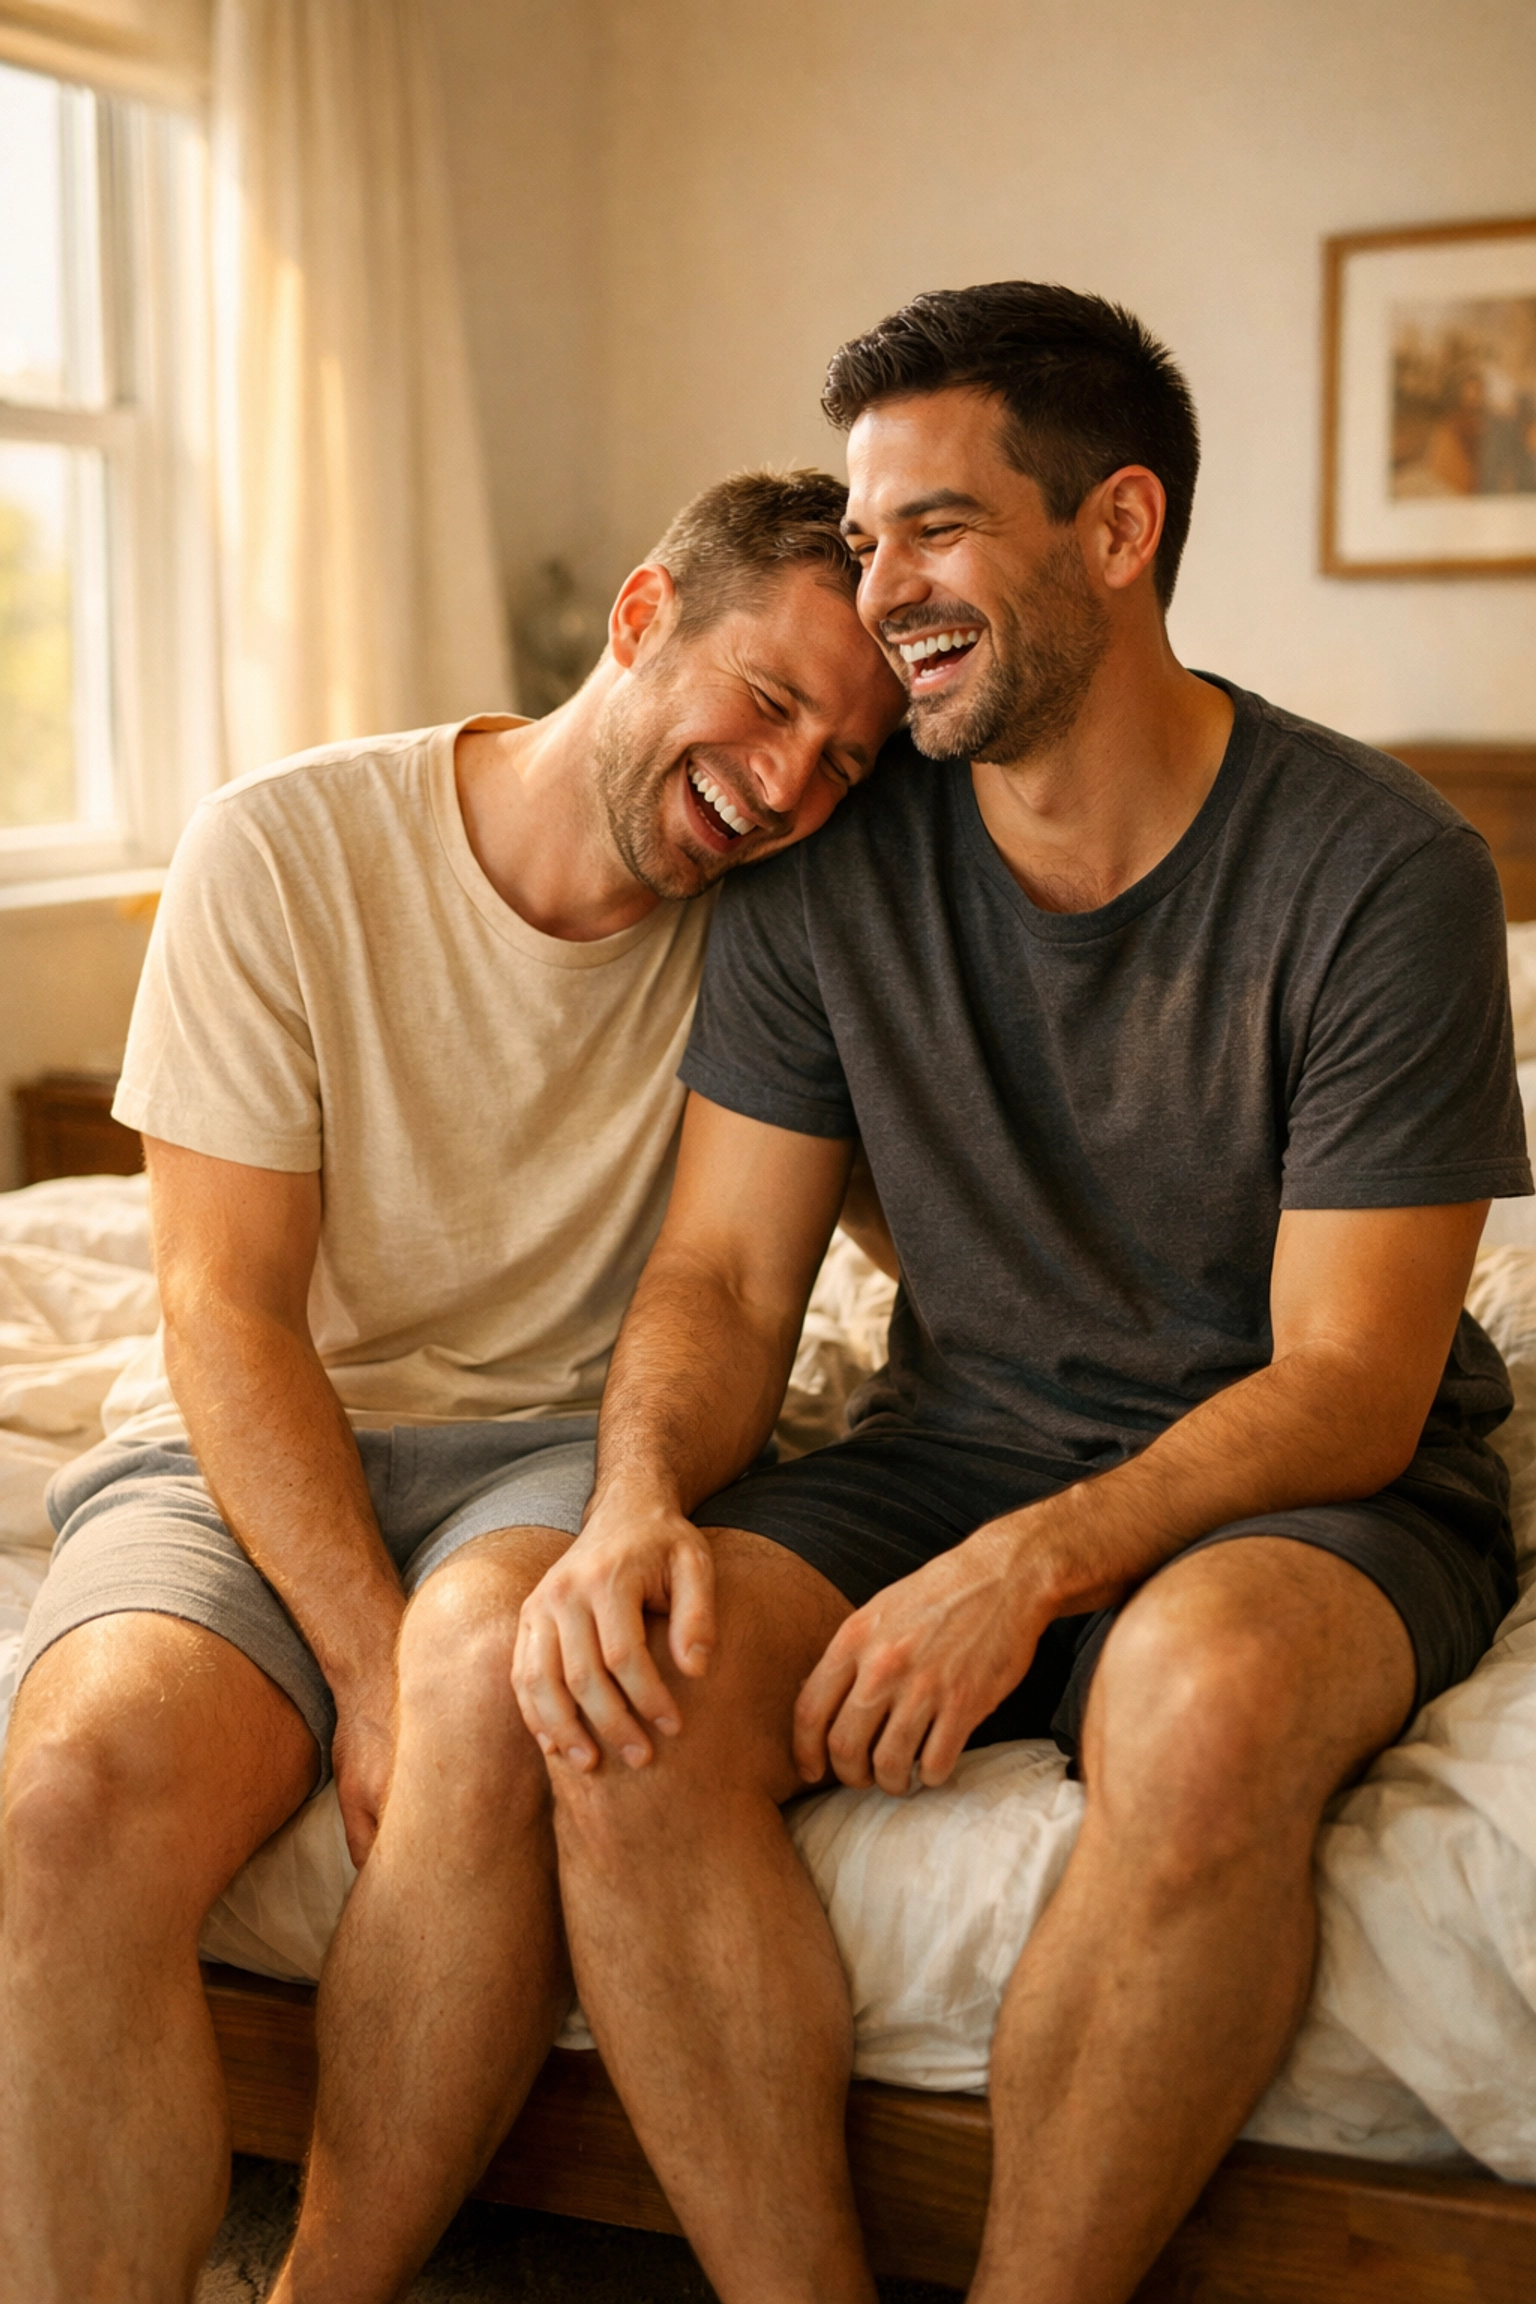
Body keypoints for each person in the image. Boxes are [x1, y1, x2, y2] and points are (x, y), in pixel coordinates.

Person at [515, 285, 1532, 2304]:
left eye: (938, 530)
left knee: (1211, 1697)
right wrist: (633, 1508)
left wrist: (1034, 1570)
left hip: (1309, 1490)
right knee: (635, 1712)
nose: (881, 589)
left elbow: (1349, 1380)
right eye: (867, 538)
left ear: (1120, 530)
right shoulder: (832, 862)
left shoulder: (1380, 869)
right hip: (952, 1441)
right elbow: (722, 1275)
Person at [0, 469, 903, 2304]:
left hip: (567, 1443)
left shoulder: (793, 919)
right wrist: (356, 1663)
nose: (793, 784)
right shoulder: (285, 848)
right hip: (251, 1438)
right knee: (64, 1809)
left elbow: (864, 1233)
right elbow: (225, 1316)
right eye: (772, 701)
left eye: (849, 757)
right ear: (641, 618)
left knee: (498, 1677)